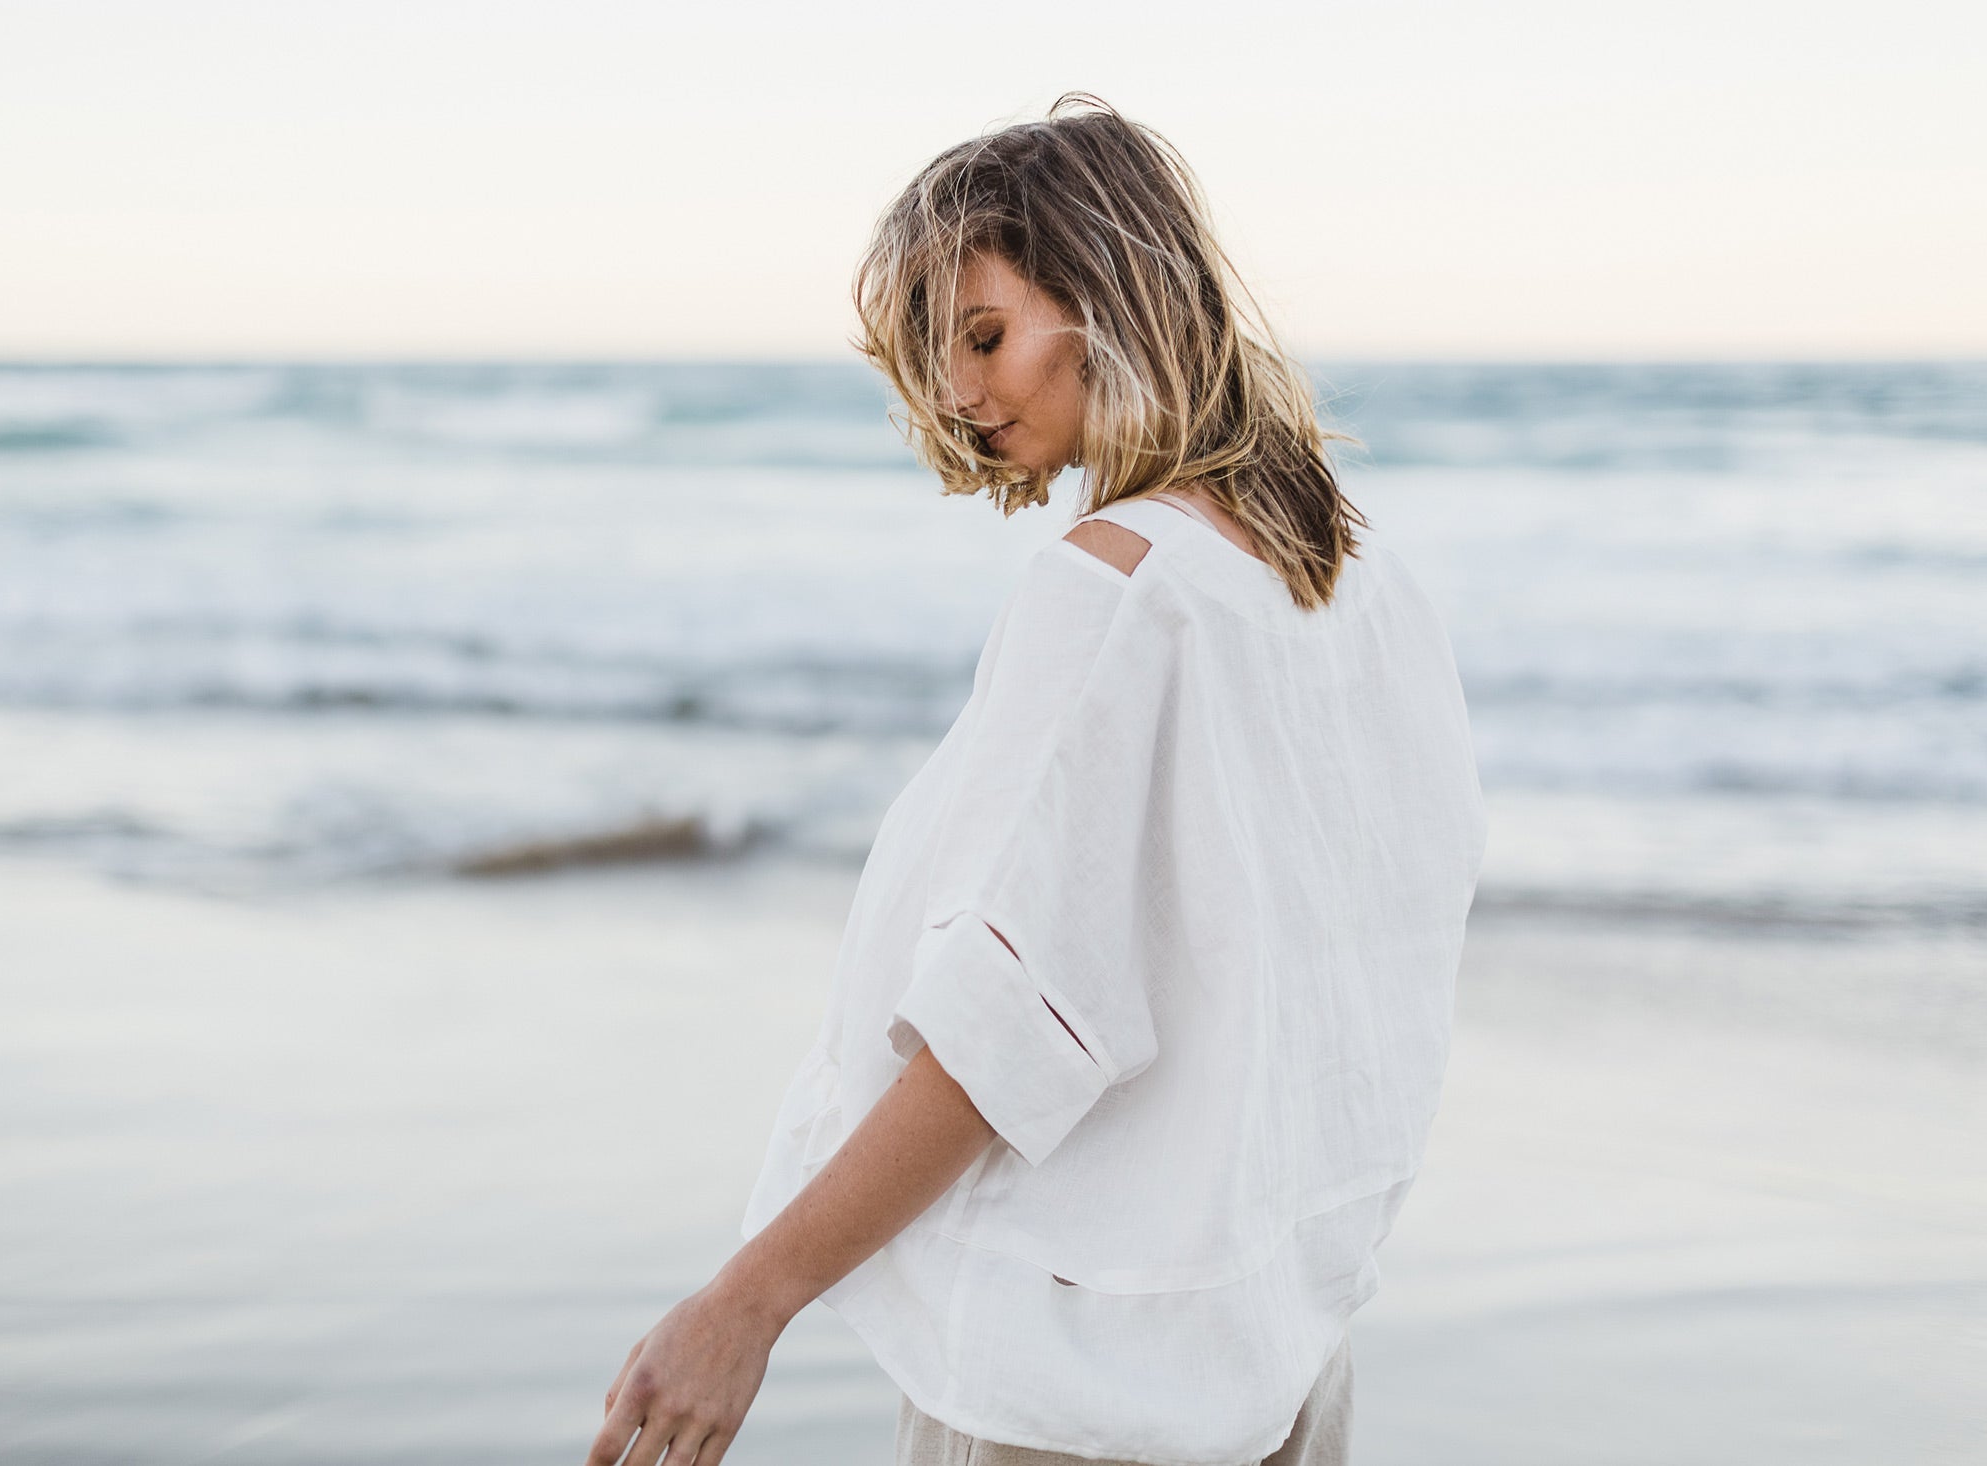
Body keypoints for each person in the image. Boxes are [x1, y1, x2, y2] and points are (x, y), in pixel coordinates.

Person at [584, 93, 1487, 1466]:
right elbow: (1384, 958)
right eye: (938, 356)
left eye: (986, 334)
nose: (959, 393)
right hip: (1281, 1354)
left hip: (1082, 1377)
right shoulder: (1363, 581)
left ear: (1112, 291)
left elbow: (1014, 1025)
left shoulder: (1118, 586)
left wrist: (745, 1299)